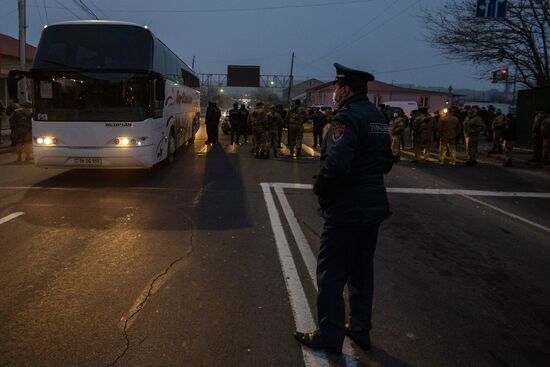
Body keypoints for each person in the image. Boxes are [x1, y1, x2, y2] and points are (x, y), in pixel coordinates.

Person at [294, 63, 393, 355]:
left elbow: (336, 164)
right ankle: (360, 330)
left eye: (336, 88)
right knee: (362, 271)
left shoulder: (346, 119)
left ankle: (329, 335)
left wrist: (323, 193)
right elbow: (387, 161)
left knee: (331, 274)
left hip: (348, 207)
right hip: (374, 204)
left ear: (346, 89)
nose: (335, 93)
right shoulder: (377, 117)